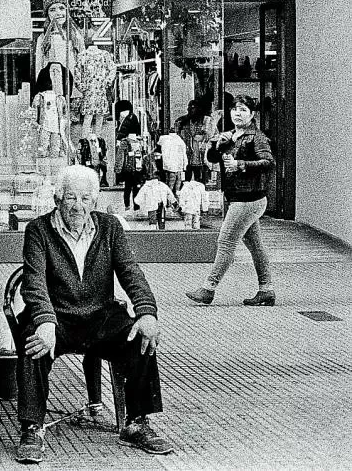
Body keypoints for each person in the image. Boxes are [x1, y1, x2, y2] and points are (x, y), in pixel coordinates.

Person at [15, 165, 173, 464]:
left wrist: (147, 312)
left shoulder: (110, 226)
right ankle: (32, 427)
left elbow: (130, 272)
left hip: (99, 316)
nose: (78, 206)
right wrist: (45, 321)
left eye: (86, 199)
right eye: (71, 198)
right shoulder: (38, 229)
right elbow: (33, 283)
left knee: (140, 336)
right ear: (57, 198)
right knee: (33, 343)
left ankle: (136, 422)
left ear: (95, 201)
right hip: (56, 317)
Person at [185, 95, 276, 306]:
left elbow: (268, 162)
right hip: (240, 198)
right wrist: (217, 145)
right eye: (235, 109)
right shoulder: (232, 135)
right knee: (255, 246)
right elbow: (214, 160)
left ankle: (208, 288)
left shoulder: (257, 137)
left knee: (225, 242)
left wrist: (241, 163)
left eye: (243, 110)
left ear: (252, 114)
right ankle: (266, 289)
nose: (238, 113)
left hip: (249, 199)